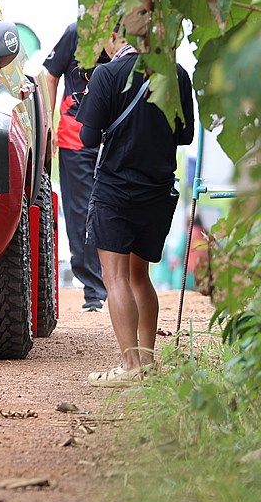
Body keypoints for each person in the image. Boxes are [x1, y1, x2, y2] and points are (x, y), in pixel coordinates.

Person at [76, 23, 193, 386]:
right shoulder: (177, 74)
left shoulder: (108, 75)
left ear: (116, 37)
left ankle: (130, 367)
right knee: (141, 277)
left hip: (115, 191)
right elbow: (185, 134)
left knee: (116, 280)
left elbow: (87, 137)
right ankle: (147, 363)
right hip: (157, 191)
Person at [41, 21, 110, 311]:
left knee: (112, 207)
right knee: (80, 210)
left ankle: (115, 284)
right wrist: (48, 125)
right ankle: (94, 290)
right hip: (74, 136)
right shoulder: (76, 32)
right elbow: (49, 75)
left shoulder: (131, 30)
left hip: (114, 137)